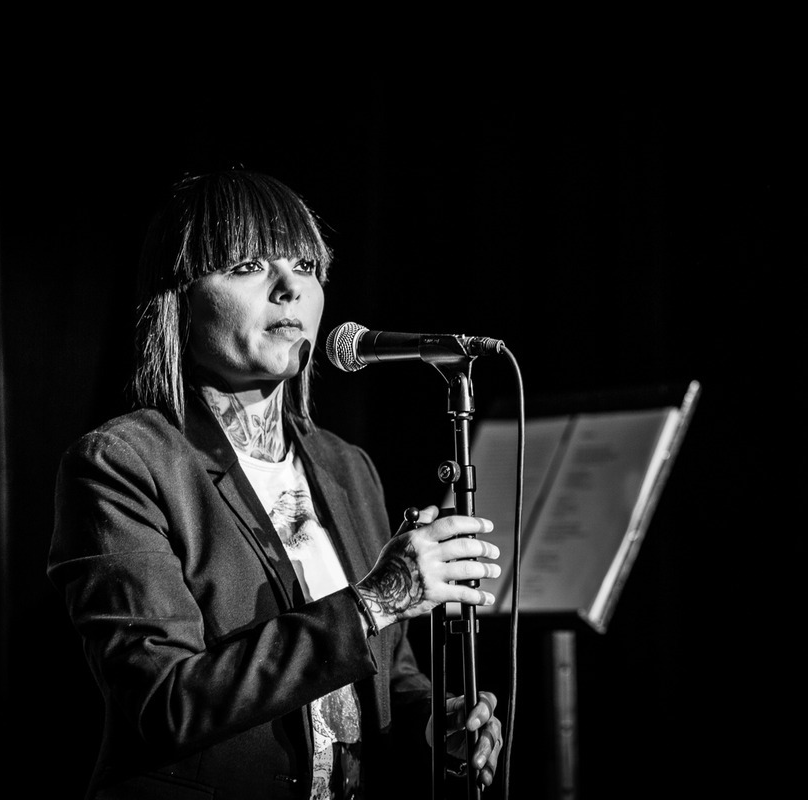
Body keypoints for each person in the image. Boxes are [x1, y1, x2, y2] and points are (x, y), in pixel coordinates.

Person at [48, 168, 504, 800]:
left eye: (306, 265)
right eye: (249, 266)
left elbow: (385, 674)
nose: (291, 287)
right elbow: (165, 701)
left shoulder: (347, 467)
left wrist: (434, 725)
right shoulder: (122, 465)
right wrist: (378, 598)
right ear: (179, 298)